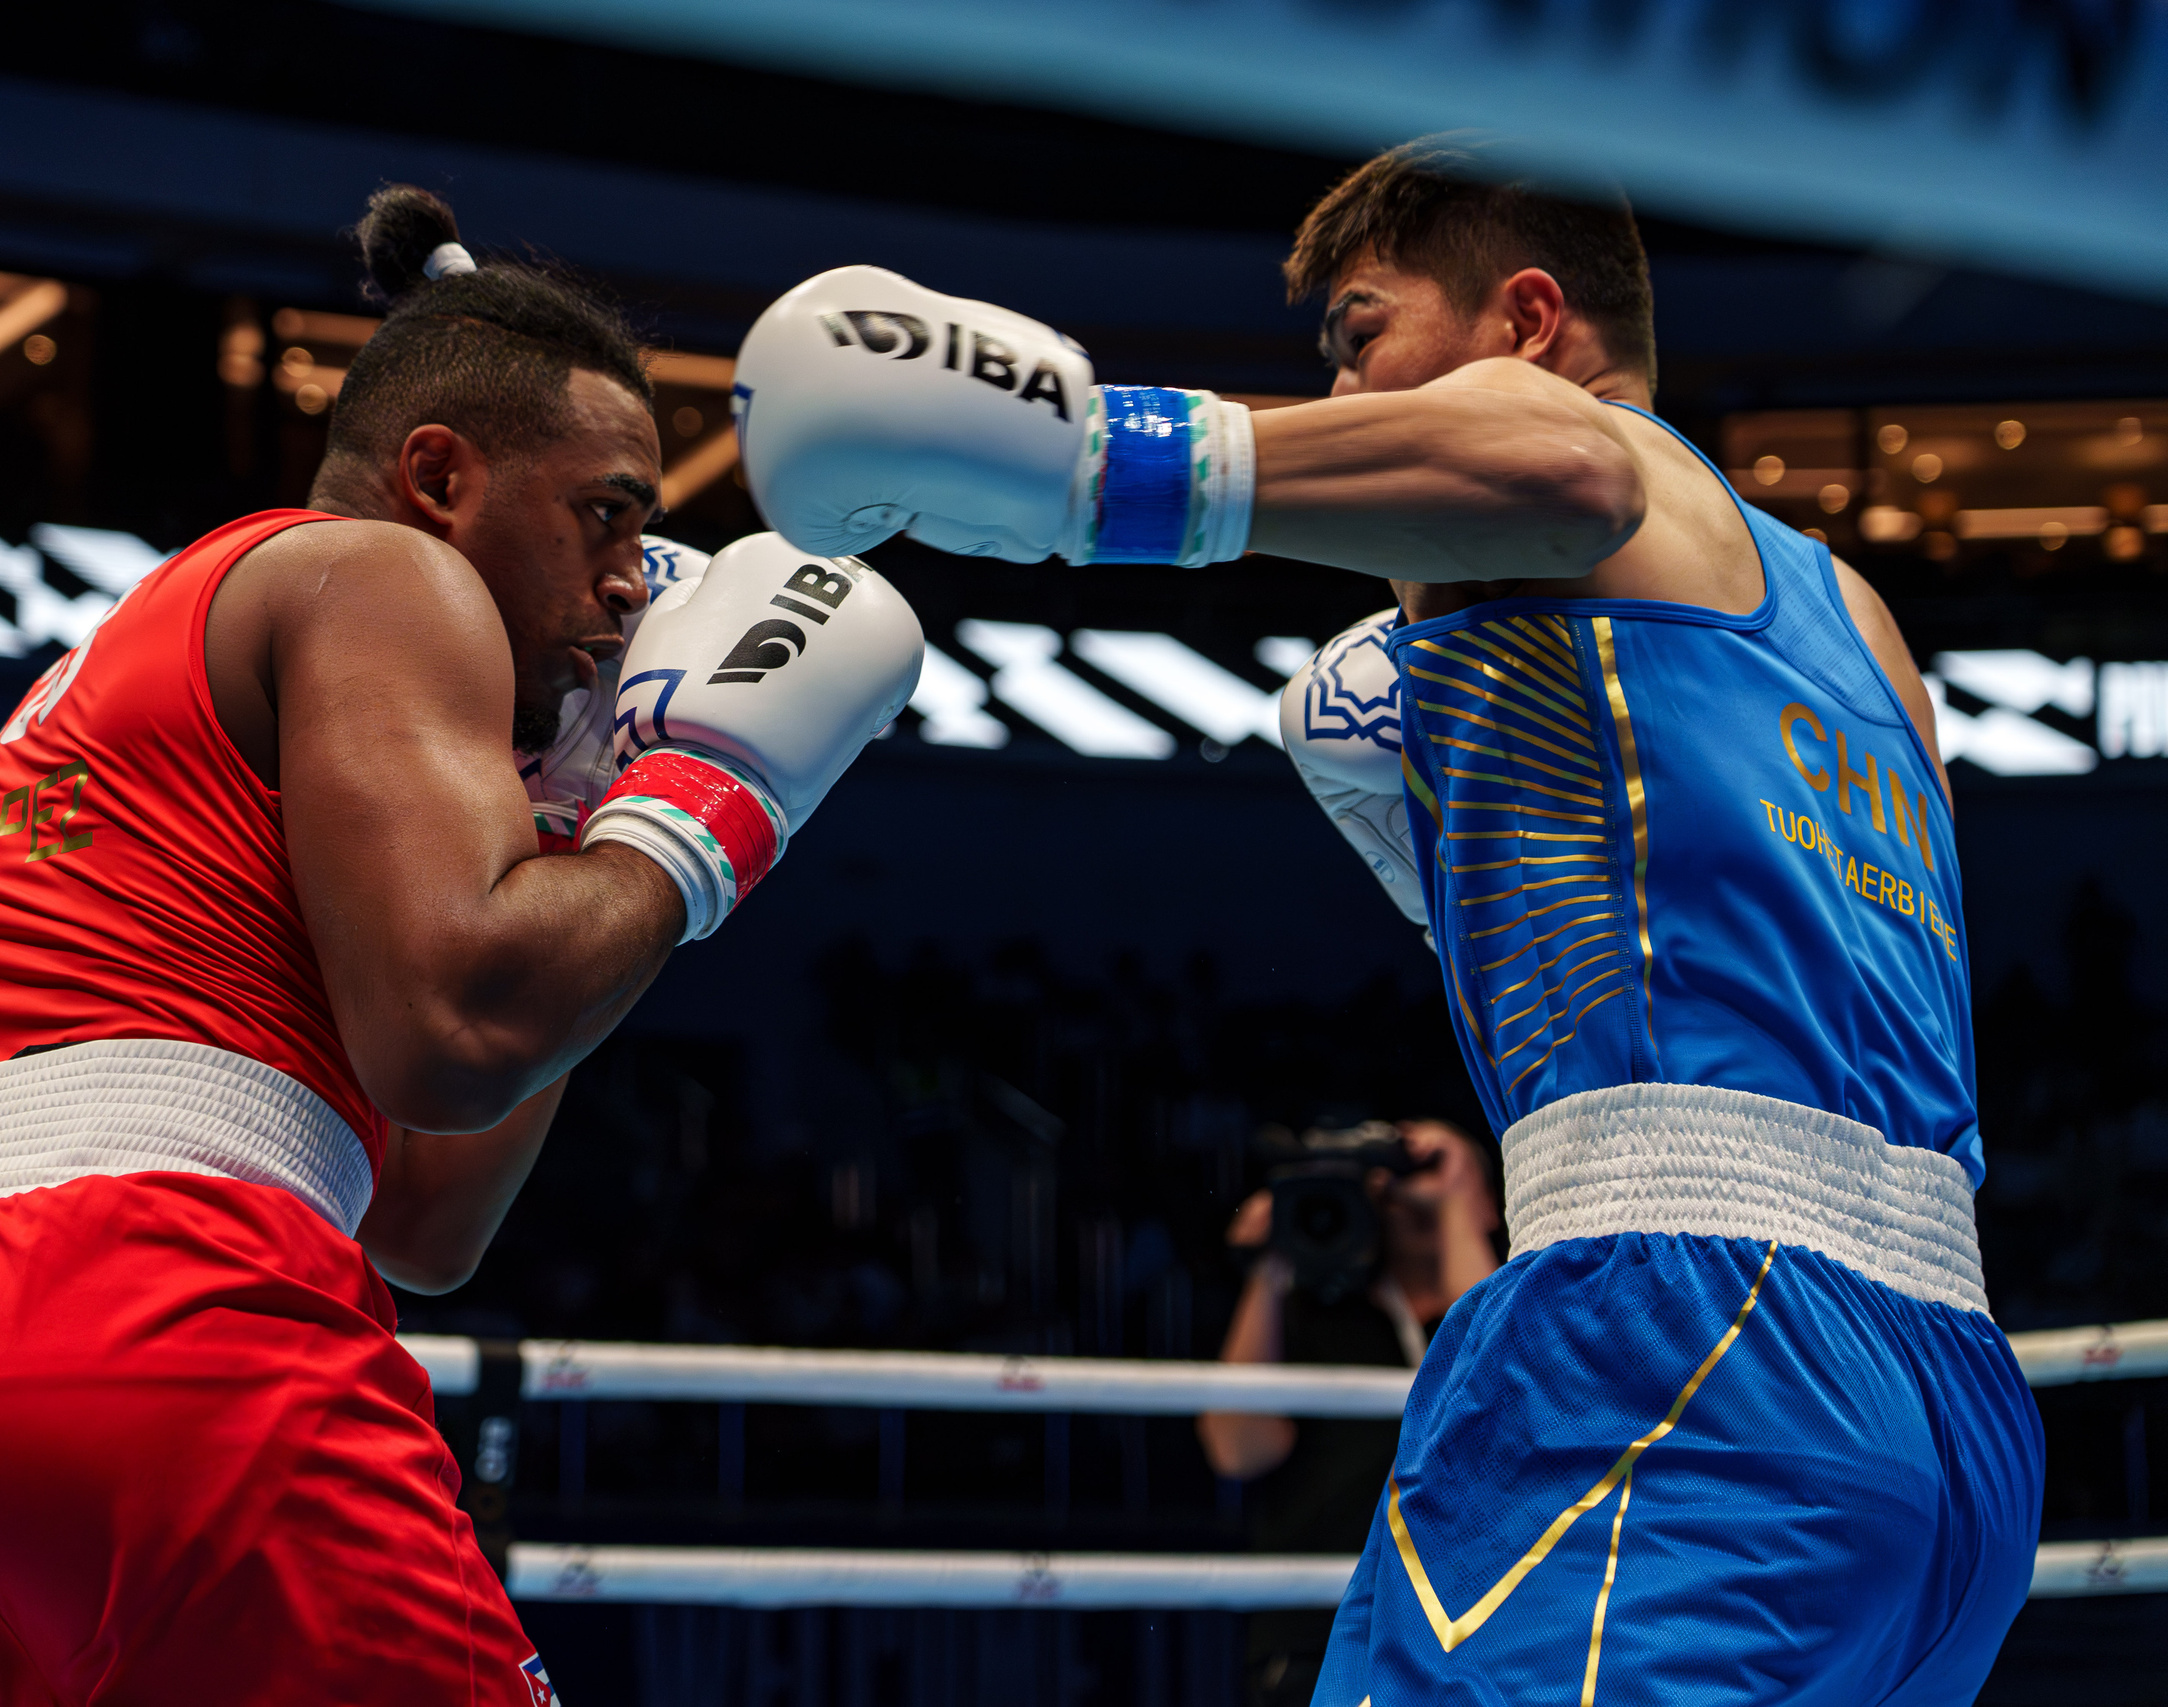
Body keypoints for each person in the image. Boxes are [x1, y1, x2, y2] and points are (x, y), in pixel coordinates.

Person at [730, 137, 2041, 1704]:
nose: (1351, 396)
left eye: (1362, 336)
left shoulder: (1581, 438)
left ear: (1527, 319)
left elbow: (1563, 465)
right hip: (1951, 1400)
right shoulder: (1856, 619)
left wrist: (1095, 470)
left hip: (1690, 1335)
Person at [0, 184, 922, 1707]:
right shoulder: (374, 570)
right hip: (137, 1312)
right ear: (437, 474)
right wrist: (718, 791)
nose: (631, 582)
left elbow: (426, 1207)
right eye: (609, 512)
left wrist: (582, 812)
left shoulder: (156, 656)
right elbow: (464, 1026)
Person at [1200, 1121, 1499, 1707]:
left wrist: (1454, 1208)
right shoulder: (1314, 1315)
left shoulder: (1503, 1319)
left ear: (1492, 1205)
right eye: (1391, 1186)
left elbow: (1497, 1408)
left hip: (1469, 1630)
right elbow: (1237, 1449)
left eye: (1438, 1176)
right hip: (1315, 1633)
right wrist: (1270, 1265)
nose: (1414, 1197)